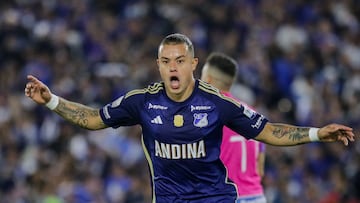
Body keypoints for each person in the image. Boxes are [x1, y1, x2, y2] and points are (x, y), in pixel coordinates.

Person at [25, 33, 355, 203]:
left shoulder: (218, 104)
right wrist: (51, 100)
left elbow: (268, 131)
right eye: (166, 60)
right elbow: (94, 118)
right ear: (158, 65)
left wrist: (315, 133)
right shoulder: (142, 102)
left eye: (180, 60)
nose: (173, 66)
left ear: (194, 64)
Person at [201, 52, 266, 203]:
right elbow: (260, 170)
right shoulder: (254, 115)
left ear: (208, 80)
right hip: (256, 197)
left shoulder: (206, 115)